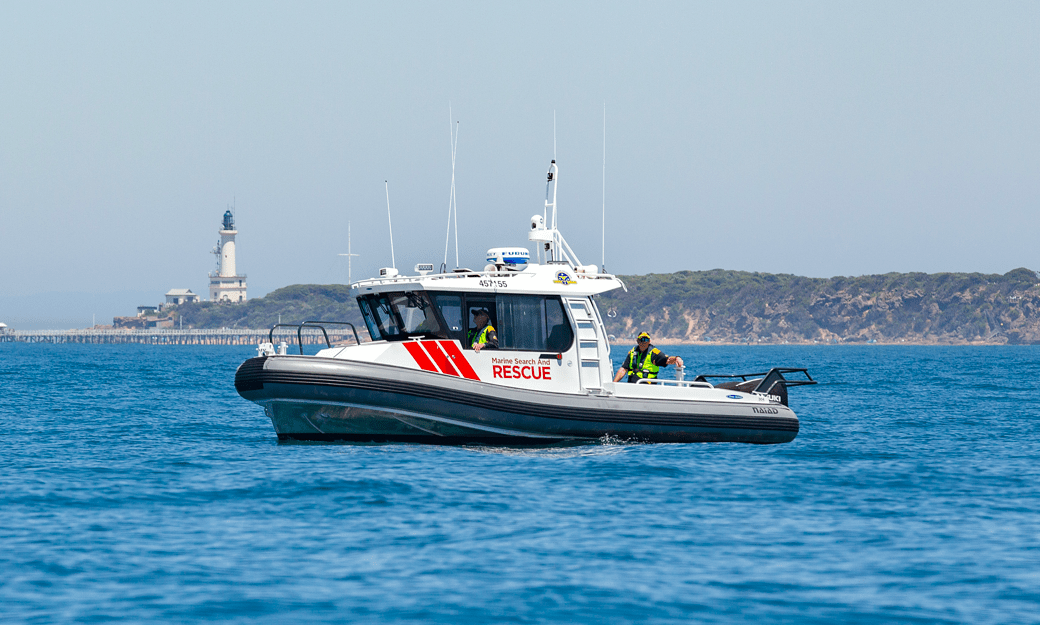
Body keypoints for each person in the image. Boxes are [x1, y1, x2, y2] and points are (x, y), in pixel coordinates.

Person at [613, 331, 683, 383]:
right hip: (632, 386)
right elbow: (623, 369)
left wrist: (677, 358)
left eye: (646, 340)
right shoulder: (632, 352)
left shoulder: (654, 353)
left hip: (647, 387)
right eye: (642, 339)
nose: (644, 342)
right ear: (637, 341)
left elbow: (667, 360)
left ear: (649, 341)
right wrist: (614, 383)